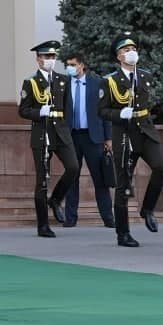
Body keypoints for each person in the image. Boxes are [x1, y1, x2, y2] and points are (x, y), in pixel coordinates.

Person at [98, 32, 163, 245]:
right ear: (118, 56)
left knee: (160, 166)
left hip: (145, 130)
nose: (131, 53)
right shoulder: (109, 81)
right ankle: (123, 233)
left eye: (133, 49)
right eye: (126, 50)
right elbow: (102, 111)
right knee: (123, 184)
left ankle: (147, 209)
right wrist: (120, 114)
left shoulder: (145, 76)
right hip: (124, 134)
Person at [17, 41, 81, 238]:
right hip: (42, 132)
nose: (50, 60)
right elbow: (23, 110)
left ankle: (56, 199)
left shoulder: (63, 80)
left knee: (73, 167)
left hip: (60, 131)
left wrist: (66, 129)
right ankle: (43, 225)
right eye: (46, 57)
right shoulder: (31, 82)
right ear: (38, 59)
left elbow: (68, 108)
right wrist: (39, 112)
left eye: (53, 57)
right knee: (42, 180)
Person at [60, 51, 115, 231]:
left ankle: (108, 217)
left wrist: (108, 137)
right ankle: (70, 218)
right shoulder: (63, 84)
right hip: (71, 136)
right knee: (72, 177)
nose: (70, 68)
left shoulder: (97, 83)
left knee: (100, 179)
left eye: (73, 64)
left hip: (93, 137)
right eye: (68, 64)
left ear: (82, 65)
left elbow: (105, 111)